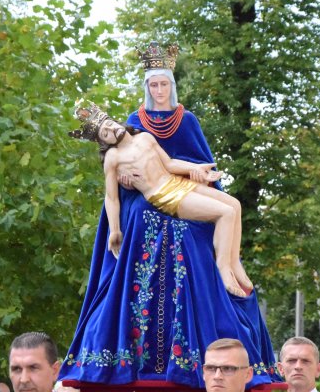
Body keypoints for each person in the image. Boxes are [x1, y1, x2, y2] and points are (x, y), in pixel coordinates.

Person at [58, 41, 282, 389]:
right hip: (149, 199)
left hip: (182, 186)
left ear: (171, 86)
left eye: (164, 84)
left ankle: (228, 266)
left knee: (228, 210)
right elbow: (112, 194)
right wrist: (121, 200)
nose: (159, 90)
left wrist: (197, 172)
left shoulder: (183, 122)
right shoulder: (134, 125)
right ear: (146, 87)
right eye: (153, 84)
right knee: (149, 220)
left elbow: (180, 159)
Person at [72, 101, 249, 297]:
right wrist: (114, 230)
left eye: (109, 124)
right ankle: (223, 270)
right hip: (163, 195)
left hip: (175, 182)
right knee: (225, 213)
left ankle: (234, 262)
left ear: (115, 121)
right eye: (105, 134)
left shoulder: (145, 137)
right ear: (104, 142)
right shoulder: (113, 157)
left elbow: (170, 163)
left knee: (234, 204)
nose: (111, 130)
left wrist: (196, 168)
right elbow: (111, 197)